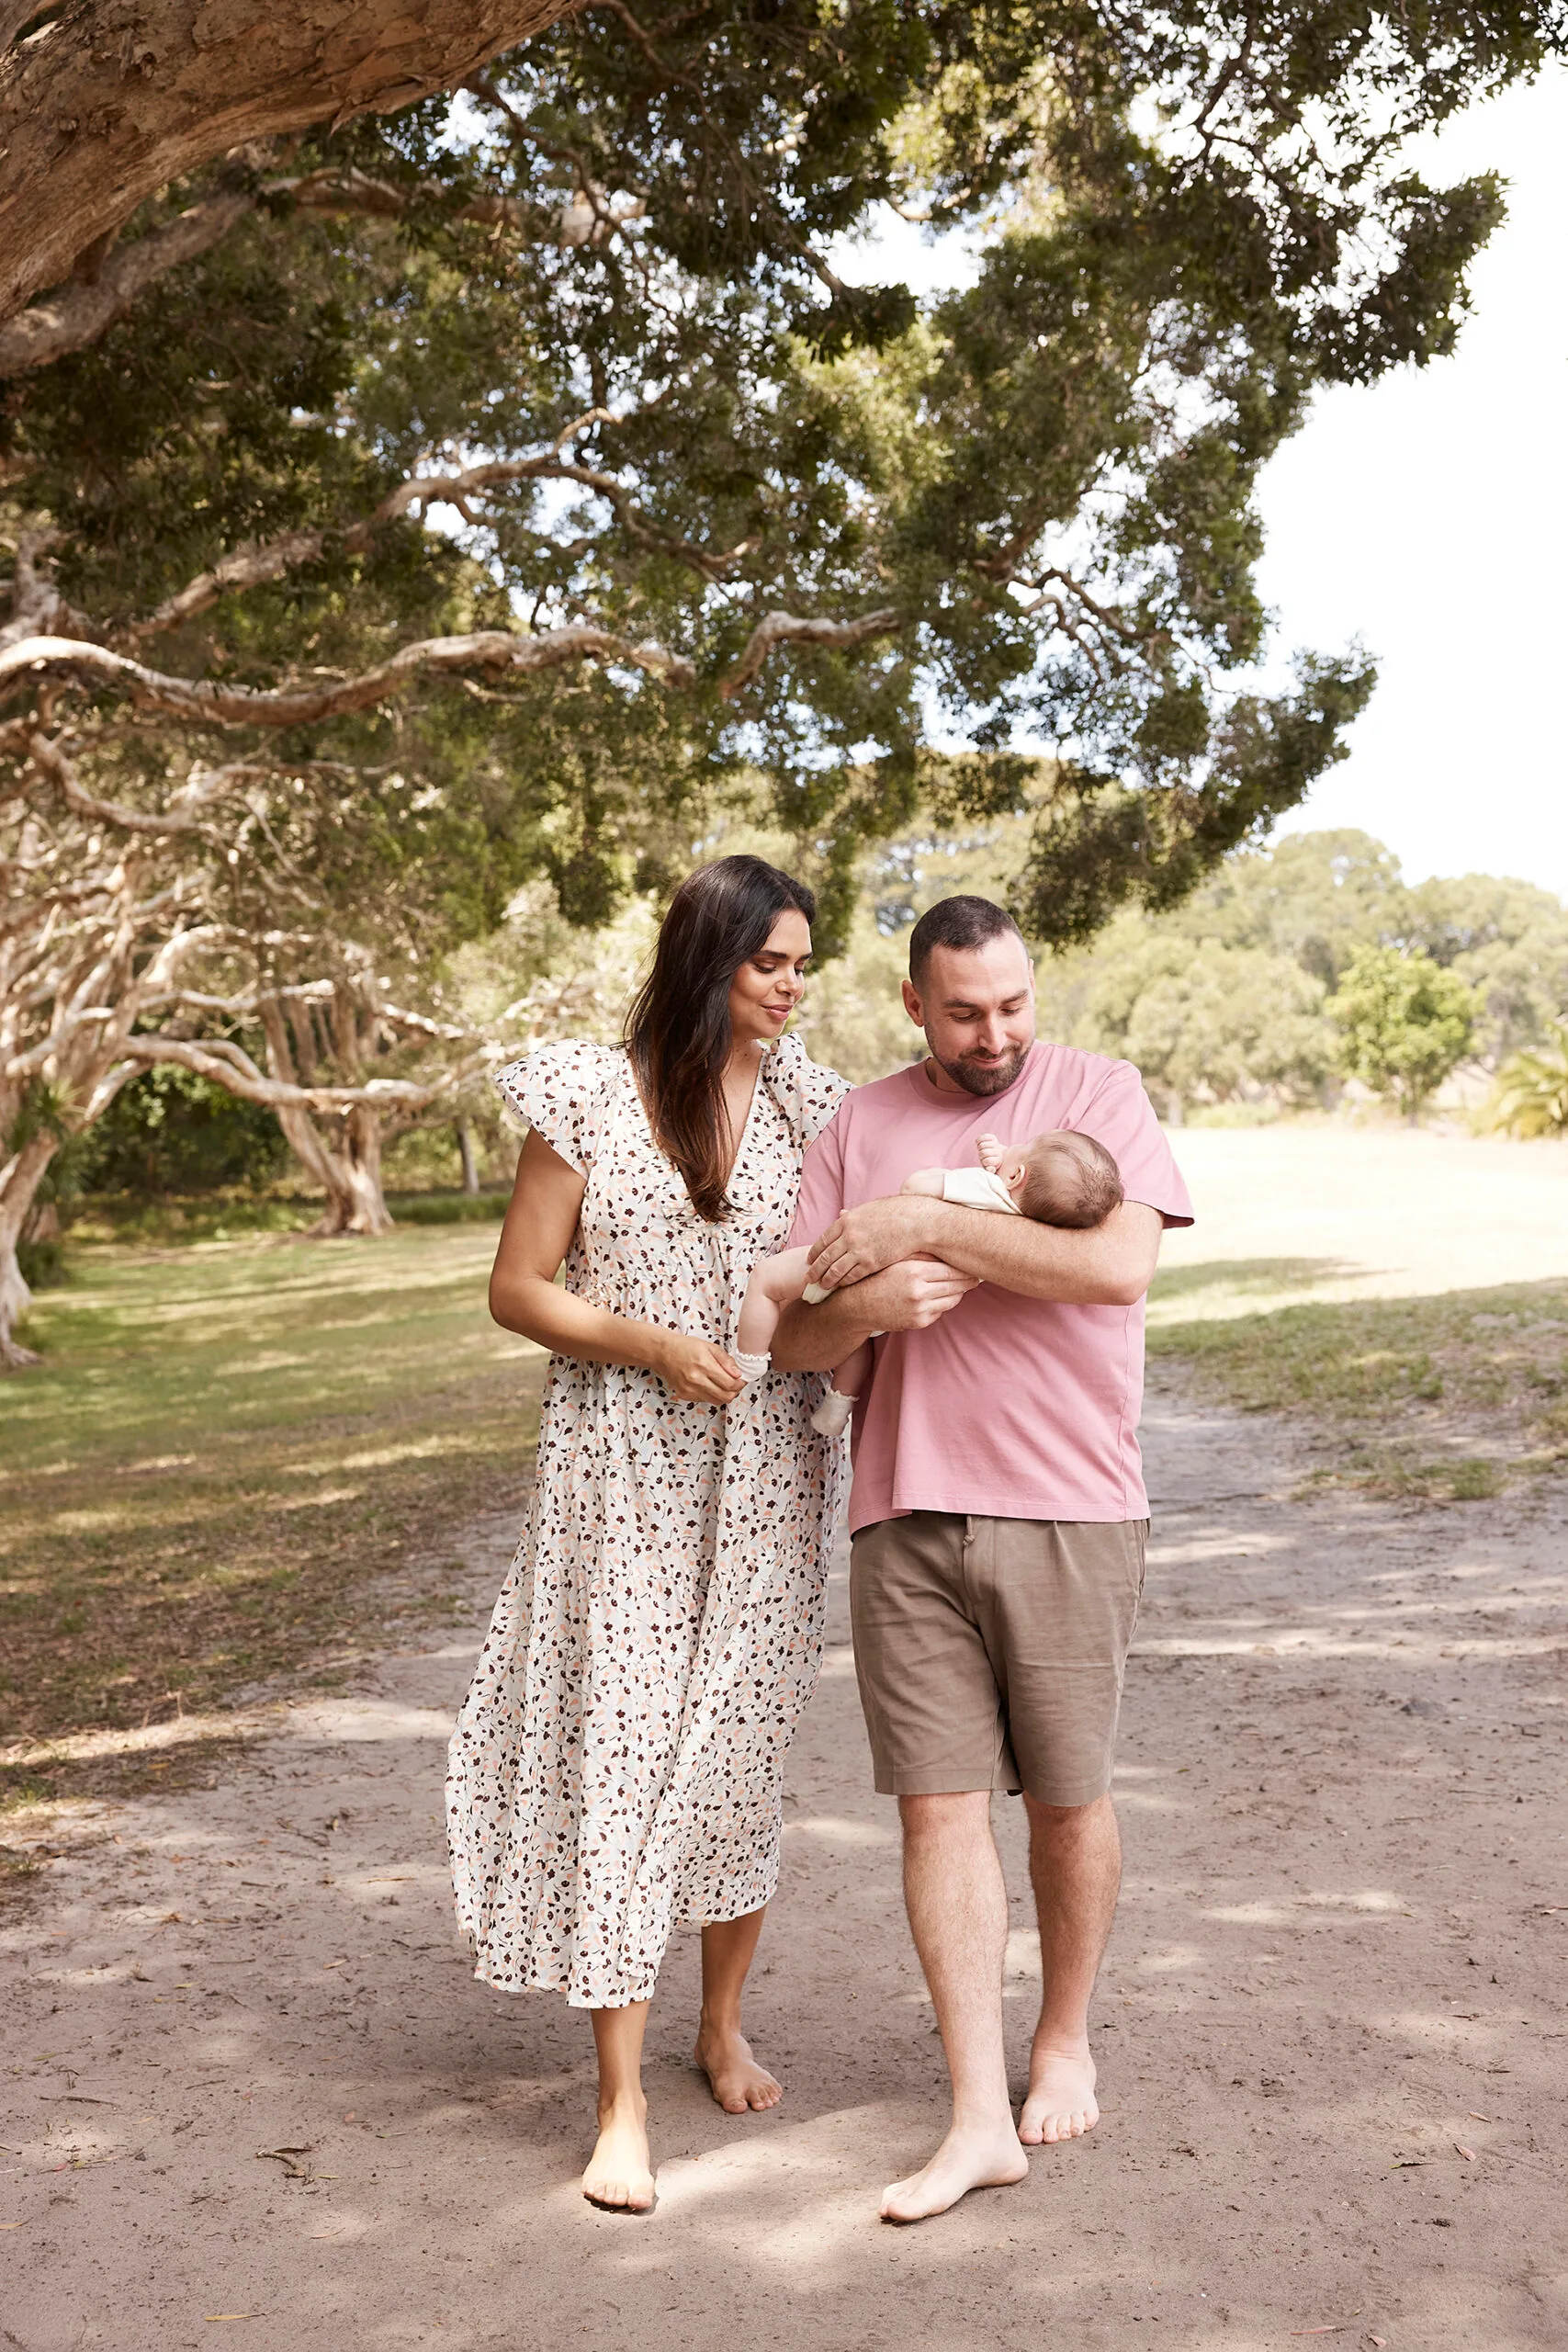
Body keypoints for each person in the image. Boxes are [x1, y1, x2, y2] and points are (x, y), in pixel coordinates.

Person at [769, 894, 1193, 2223]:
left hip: (1069, 1503)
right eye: (963, 1012)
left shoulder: (1099, 1093)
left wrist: (927, 1227)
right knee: (935, 1808)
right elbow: (796, 1348)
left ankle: (1060, 2035)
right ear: (913, 1005)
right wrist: (865, 1300)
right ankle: (970, 2117)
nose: (994, 1032)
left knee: (1065, 1798)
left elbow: (1113, 1270)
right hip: (899, 1509)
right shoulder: (858, 1124)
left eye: (1011, 1004)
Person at [446, 855, 856, 2214]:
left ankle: (719, 2025)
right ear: (706, 959)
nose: (794, 986)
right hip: (617, 1476)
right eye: (770, 963)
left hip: (765, 1480)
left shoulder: (812, 1104)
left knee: (737, 1759)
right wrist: (645, 1345)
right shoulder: (585, 1094)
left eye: (804, 963)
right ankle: (617, 2104)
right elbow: (516, 1288)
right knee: (618, 1768)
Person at [734, 1126, 1123, 1433]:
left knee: (766, 1282)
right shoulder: (1016, 1227)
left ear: (1016, 1174)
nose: (1014, 1144)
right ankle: (839, 1403)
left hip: (859, 1263)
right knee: (861, 1342)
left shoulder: (979, 1185)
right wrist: (1001, 1160)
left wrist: (955, 1177)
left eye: (1025, 1144)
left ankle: (747, 1361)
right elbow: (1002, 1190)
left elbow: (916, 1187)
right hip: (903, 1287)